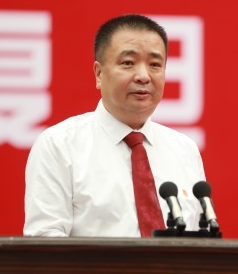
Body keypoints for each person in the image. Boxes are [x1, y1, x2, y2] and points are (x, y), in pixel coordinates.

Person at [24, 14, 206, 237]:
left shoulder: (184, 150)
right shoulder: (59, 145)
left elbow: (200, 241)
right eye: (128, 63)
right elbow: (44, 242)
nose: (143, 76)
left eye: (155, 65)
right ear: (99, 73)